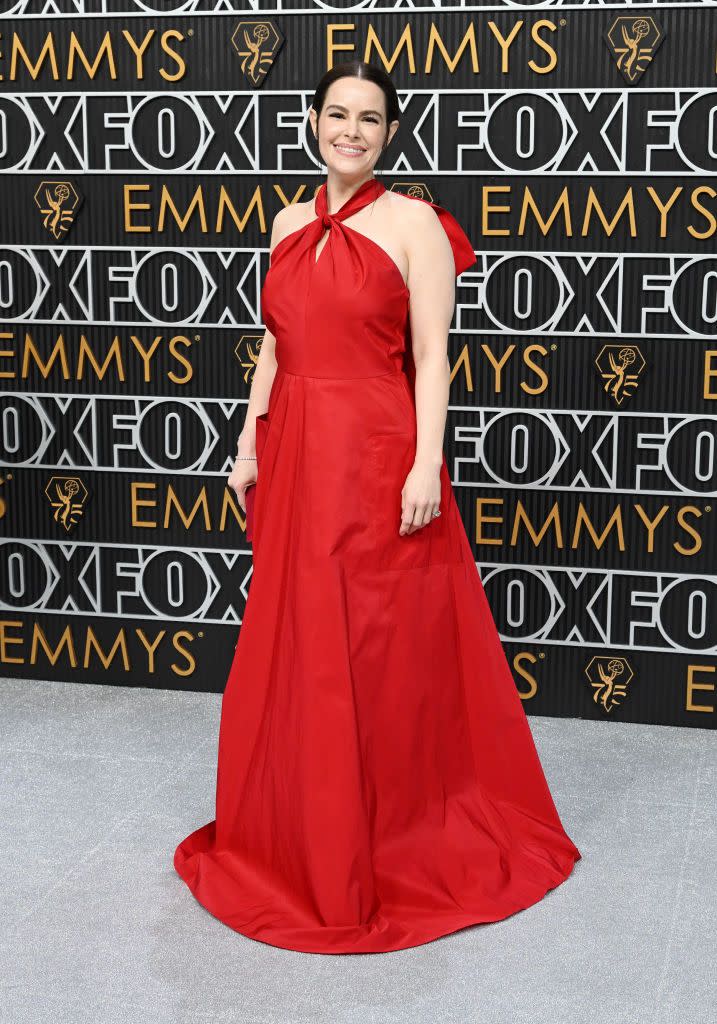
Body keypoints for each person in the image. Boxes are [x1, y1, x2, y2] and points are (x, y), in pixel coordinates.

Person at [174, 60, 581, 954]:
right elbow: (275, 348)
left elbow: (431, 356)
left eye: (368, 119)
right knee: (300, 646)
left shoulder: (416, 226)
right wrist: (247, 444)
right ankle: (302, 834)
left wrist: (424, 465)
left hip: (374, 453)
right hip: (295, 455)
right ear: (314, 123)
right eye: (335, 114)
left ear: (390, 134)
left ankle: (382, 836)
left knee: (373, 653)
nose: (349, 130)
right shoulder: (286, 221)